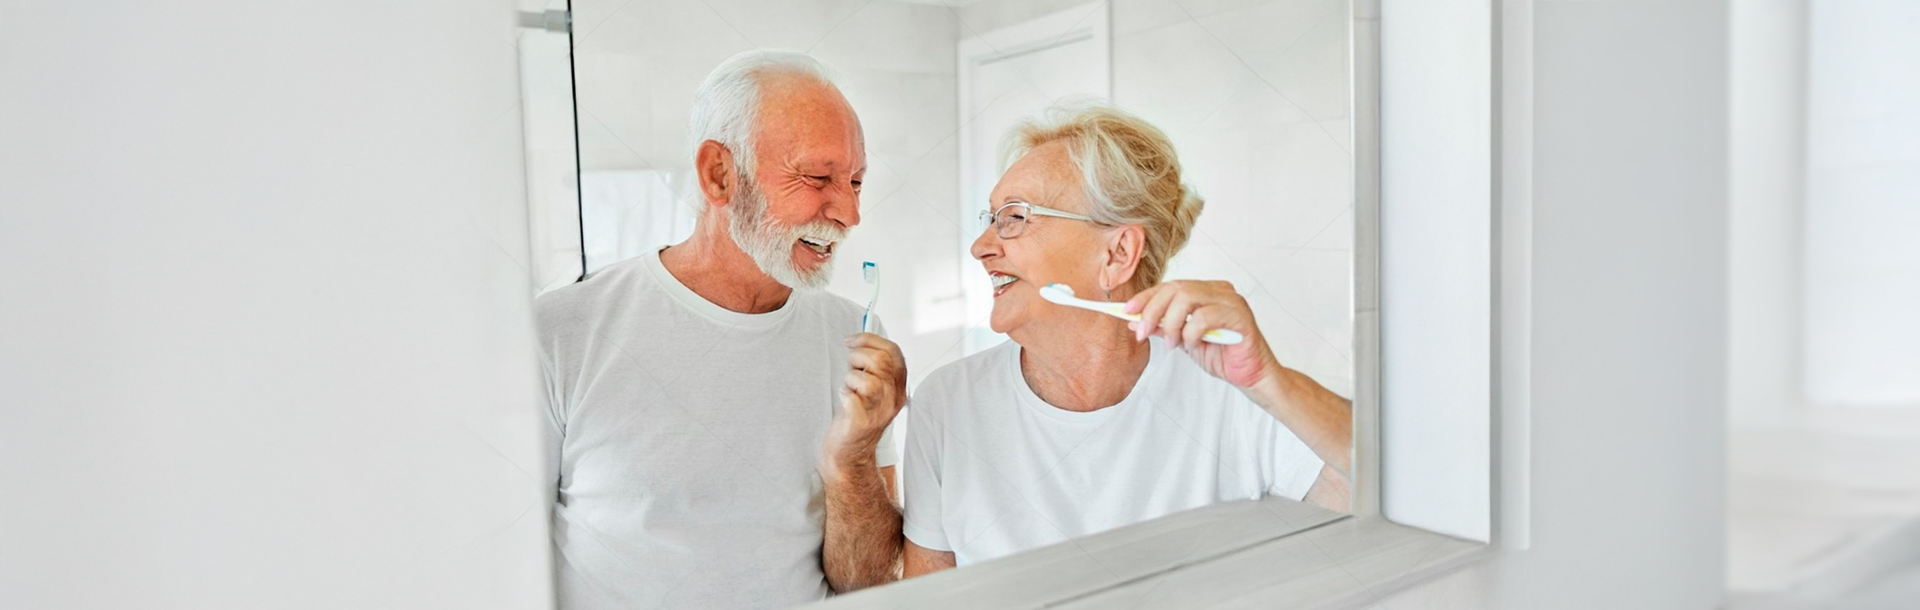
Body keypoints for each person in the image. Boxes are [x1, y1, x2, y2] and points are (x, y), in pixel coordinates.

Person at [898, 104, 1354, 575]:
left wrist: (1268, 382)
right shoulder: (948, 403)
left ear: (1117, 254)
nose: (981, 246)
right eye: (991, 218)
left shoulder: (1231, 396)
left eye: (1015, 217)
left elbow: (1383, 488)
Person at [535, 50, 904, 608]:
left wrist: (852, 460)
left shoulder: (854, 335)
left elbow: (870, 586)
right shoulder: (564, 331)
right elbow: (498, 556)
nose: (849, 213)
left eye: (855, 181)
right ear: (720, 175)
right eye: (818, 177)